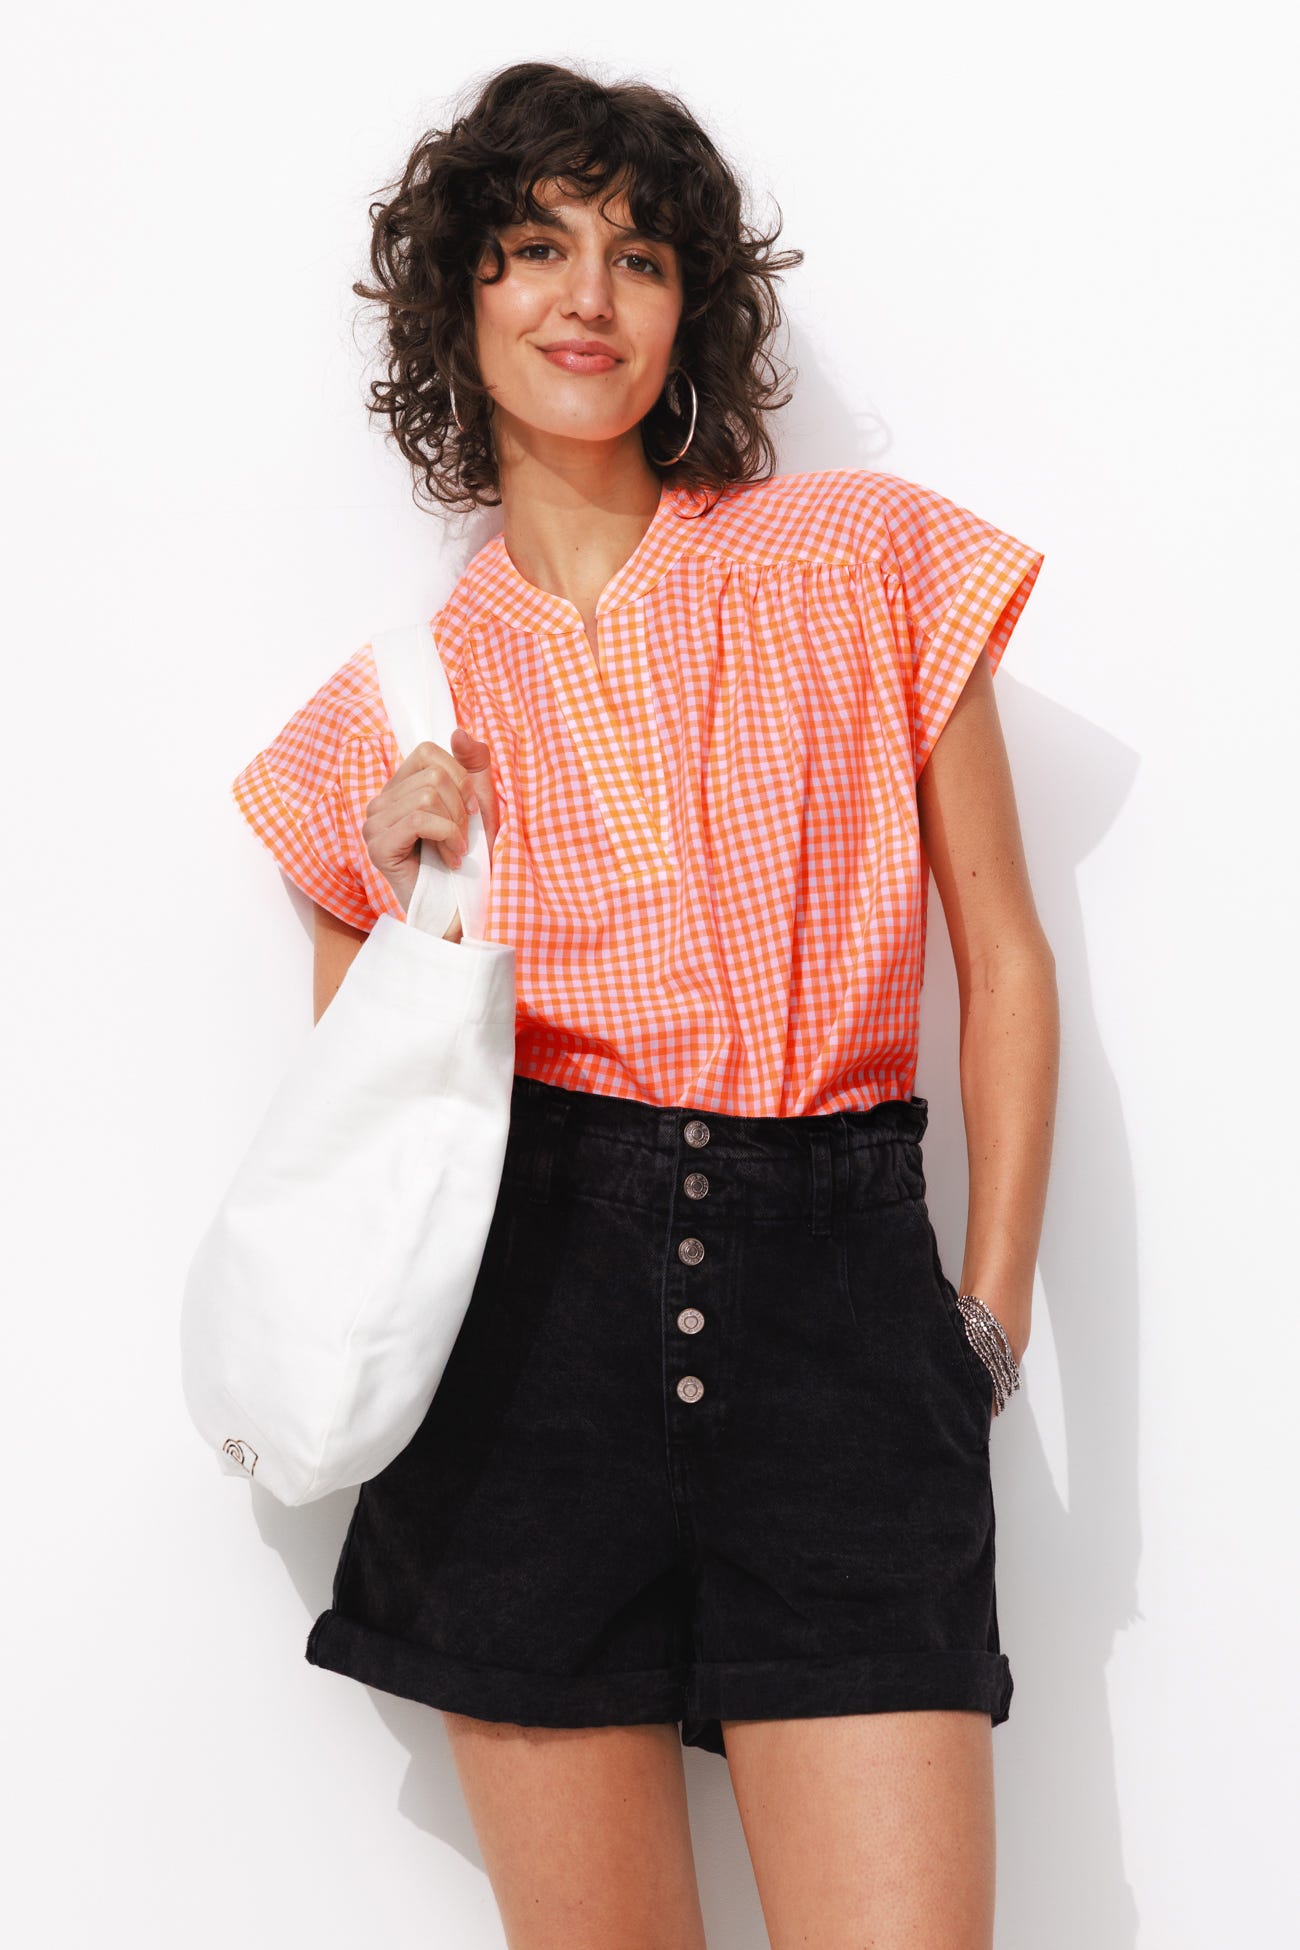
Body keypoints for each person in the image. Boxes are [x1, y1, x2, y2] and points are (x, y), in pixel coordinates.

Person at [230, 59, 1059, 1950]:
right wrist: (405, 891)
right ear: (459, 299)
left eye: (641, 255)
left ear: (694, 311)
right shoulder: (393, 709)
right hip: (532, 1345)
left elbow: (1003, 951)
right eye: (535, 248)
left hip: (845, 1321)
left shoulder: (860, 558)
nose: (587, 297)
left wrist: (983, 1328)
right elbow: (364, 1127)